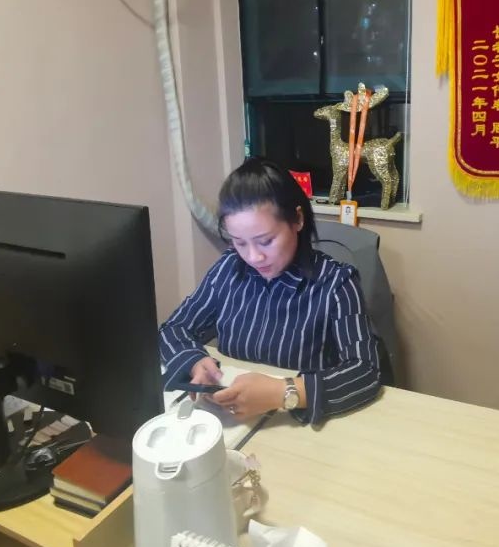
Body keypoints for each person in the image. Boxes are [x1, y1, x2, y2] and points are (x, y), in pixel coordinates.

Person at [159, 158, 382, 424]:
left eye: (266, 241)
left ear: (297, 219)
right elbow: (174, 328)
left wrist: (283, 392)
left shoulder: (336, 282)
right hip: (232, 421)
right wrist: (195, 361)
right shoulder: (229, 268)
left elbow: (366, 370)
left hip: (295, 426)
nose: (254, 257)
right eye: (240, 242)